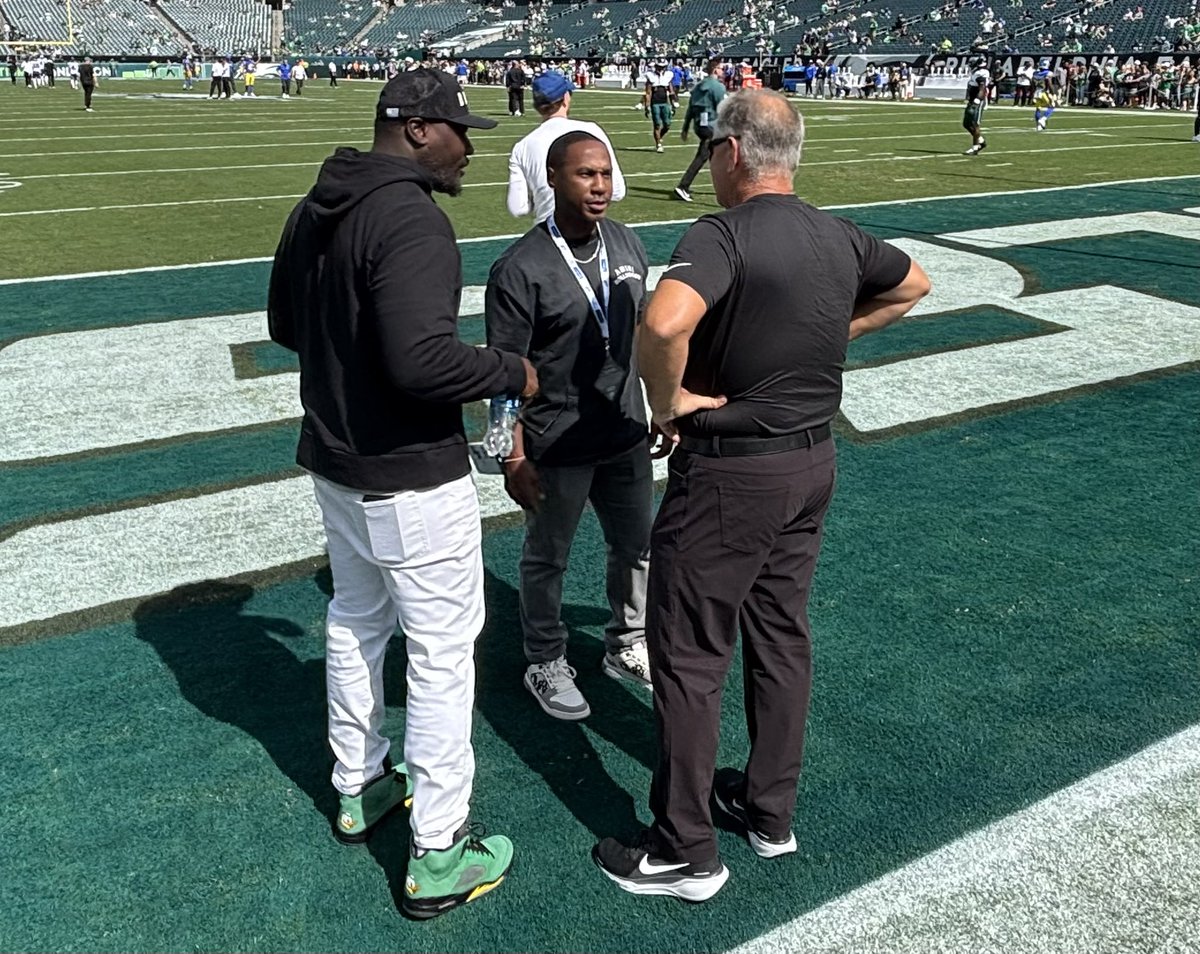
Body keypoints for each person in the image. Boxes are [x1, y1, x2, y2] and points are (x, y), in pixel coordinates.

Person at [592, 88, 930, 902]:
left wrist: (668, 403)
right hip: (811, 462)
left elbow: (663, 324)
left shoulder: (722, 233)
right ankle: (769, 811)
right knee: (781, 637)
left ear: (732, 152)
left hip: (731, 471)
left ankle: (683, 849)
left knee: (689, 654)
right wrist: (829, 337)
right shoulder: (837, 233)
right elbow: (913, 283)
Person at [267, 68, 537, 920]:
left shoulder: (317, 204)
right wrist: (510, 370)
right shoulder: (412, 217)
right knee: (442, 653)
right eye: (459, 130)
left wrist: (347, 358)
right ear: (417, 127)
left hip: (336, 459)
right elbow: (423, 363)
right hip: (408, 472)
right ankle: (439, 848)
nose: (468, 148)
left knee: (356, 620)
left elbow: (283, 326)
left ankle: (358, 785)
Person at [486, 131, 654, 721]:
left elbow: (644, 334)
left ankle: (628, 642)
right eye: (586, 174)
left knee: (636, 547)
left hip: (625, 430)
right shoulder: (520, 268)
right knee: (547, 557)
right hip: (556, 443)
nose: (599, 186)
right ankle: (544, 658)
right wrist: (511, 455)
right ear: (552, 179)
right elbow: (504, 372)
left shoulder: (627, 242)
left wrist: (660, 404)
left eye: (605, 173)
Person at [506, 72, 625, 222]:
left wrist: (541, 197)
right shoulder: (592, 130)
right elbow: (617, 191)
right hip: (588, 227)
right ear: (566, 98)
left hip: (547, 230)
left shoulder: (522, 147)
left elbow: (518, 208)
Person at [674, 58, 726, 203]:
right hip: (711, 126)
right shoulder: (717, 87)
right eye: (721, 68)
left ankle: (721, 186)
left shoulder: (699, 86)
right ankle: (683, 186)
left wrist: (685, 128)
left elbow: (691, 108)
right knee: (705, 156)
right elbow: (723, 109)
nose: (723, 71)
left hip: (700, 125)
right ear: (715, 70)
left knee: (713, 156)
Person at [642, 60, 679, 153]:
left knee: (667, 124)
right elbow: (648, 92)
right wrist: (647, 106)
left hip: (665, 103)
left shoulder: (668, 76)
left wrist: (673, 104)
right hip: (655, 103)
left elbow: (671, 92)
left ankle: (659, 137)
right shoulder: (651, 76)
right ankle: (658, 144)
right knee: (657, 124)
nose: (661, 69)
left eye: (662, 67)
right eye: (659, 67)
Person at [963, 56, 990, 155]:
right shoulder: (976, 72)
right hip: (972, 100)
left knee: (975, 124)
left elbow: (982, 88)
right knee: (966, 124)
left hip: (978, 101)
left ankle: (975, 147)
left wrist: (977, 100)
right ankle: (981, 142)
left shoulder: (981, 73)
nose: (970, 65)